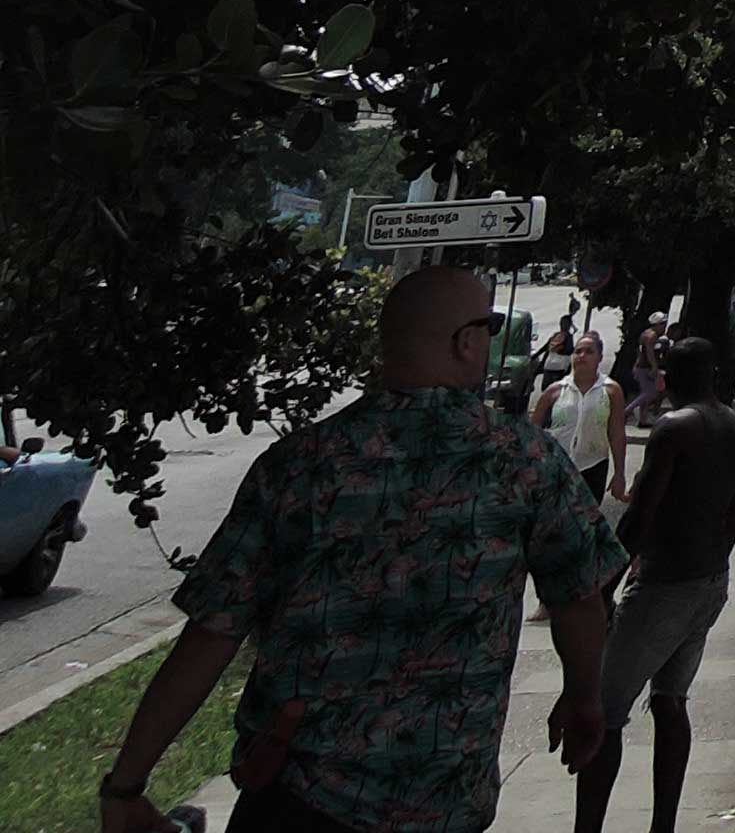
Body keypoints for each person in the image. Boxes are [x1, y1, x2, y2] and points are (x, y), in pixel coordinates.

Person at [94, 266, 627, 833]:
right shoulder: (526, 460)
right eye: (488, 328)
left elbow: (211, 632)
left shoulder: (300, 463)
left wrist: (127, 782)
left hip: (295, 797)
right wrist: (584, 696)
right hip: (445, 799)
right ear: (465, 341)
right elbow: (578, 597)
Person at [570, 338, 735, 833]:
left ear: (668, 379)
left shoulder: (674, 428)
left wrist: (604, 591)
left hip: (663, 584)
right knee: (670, 701)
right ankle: (663, 825)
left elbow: (640, 515)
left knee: (604, 714)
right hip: (709, 580)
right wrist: (712, 566)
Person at [536, 332, 632, 510]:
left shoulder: (611, 390)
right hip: (556, 467)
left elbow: (617, 434)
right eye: (578, 351)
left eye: (589, 352)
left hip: (593, 467)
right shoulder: (555, 390)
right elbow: (533, 432)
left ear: (599, 358)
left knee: (586, 526)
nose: (582, 356)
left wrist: (619, 474)